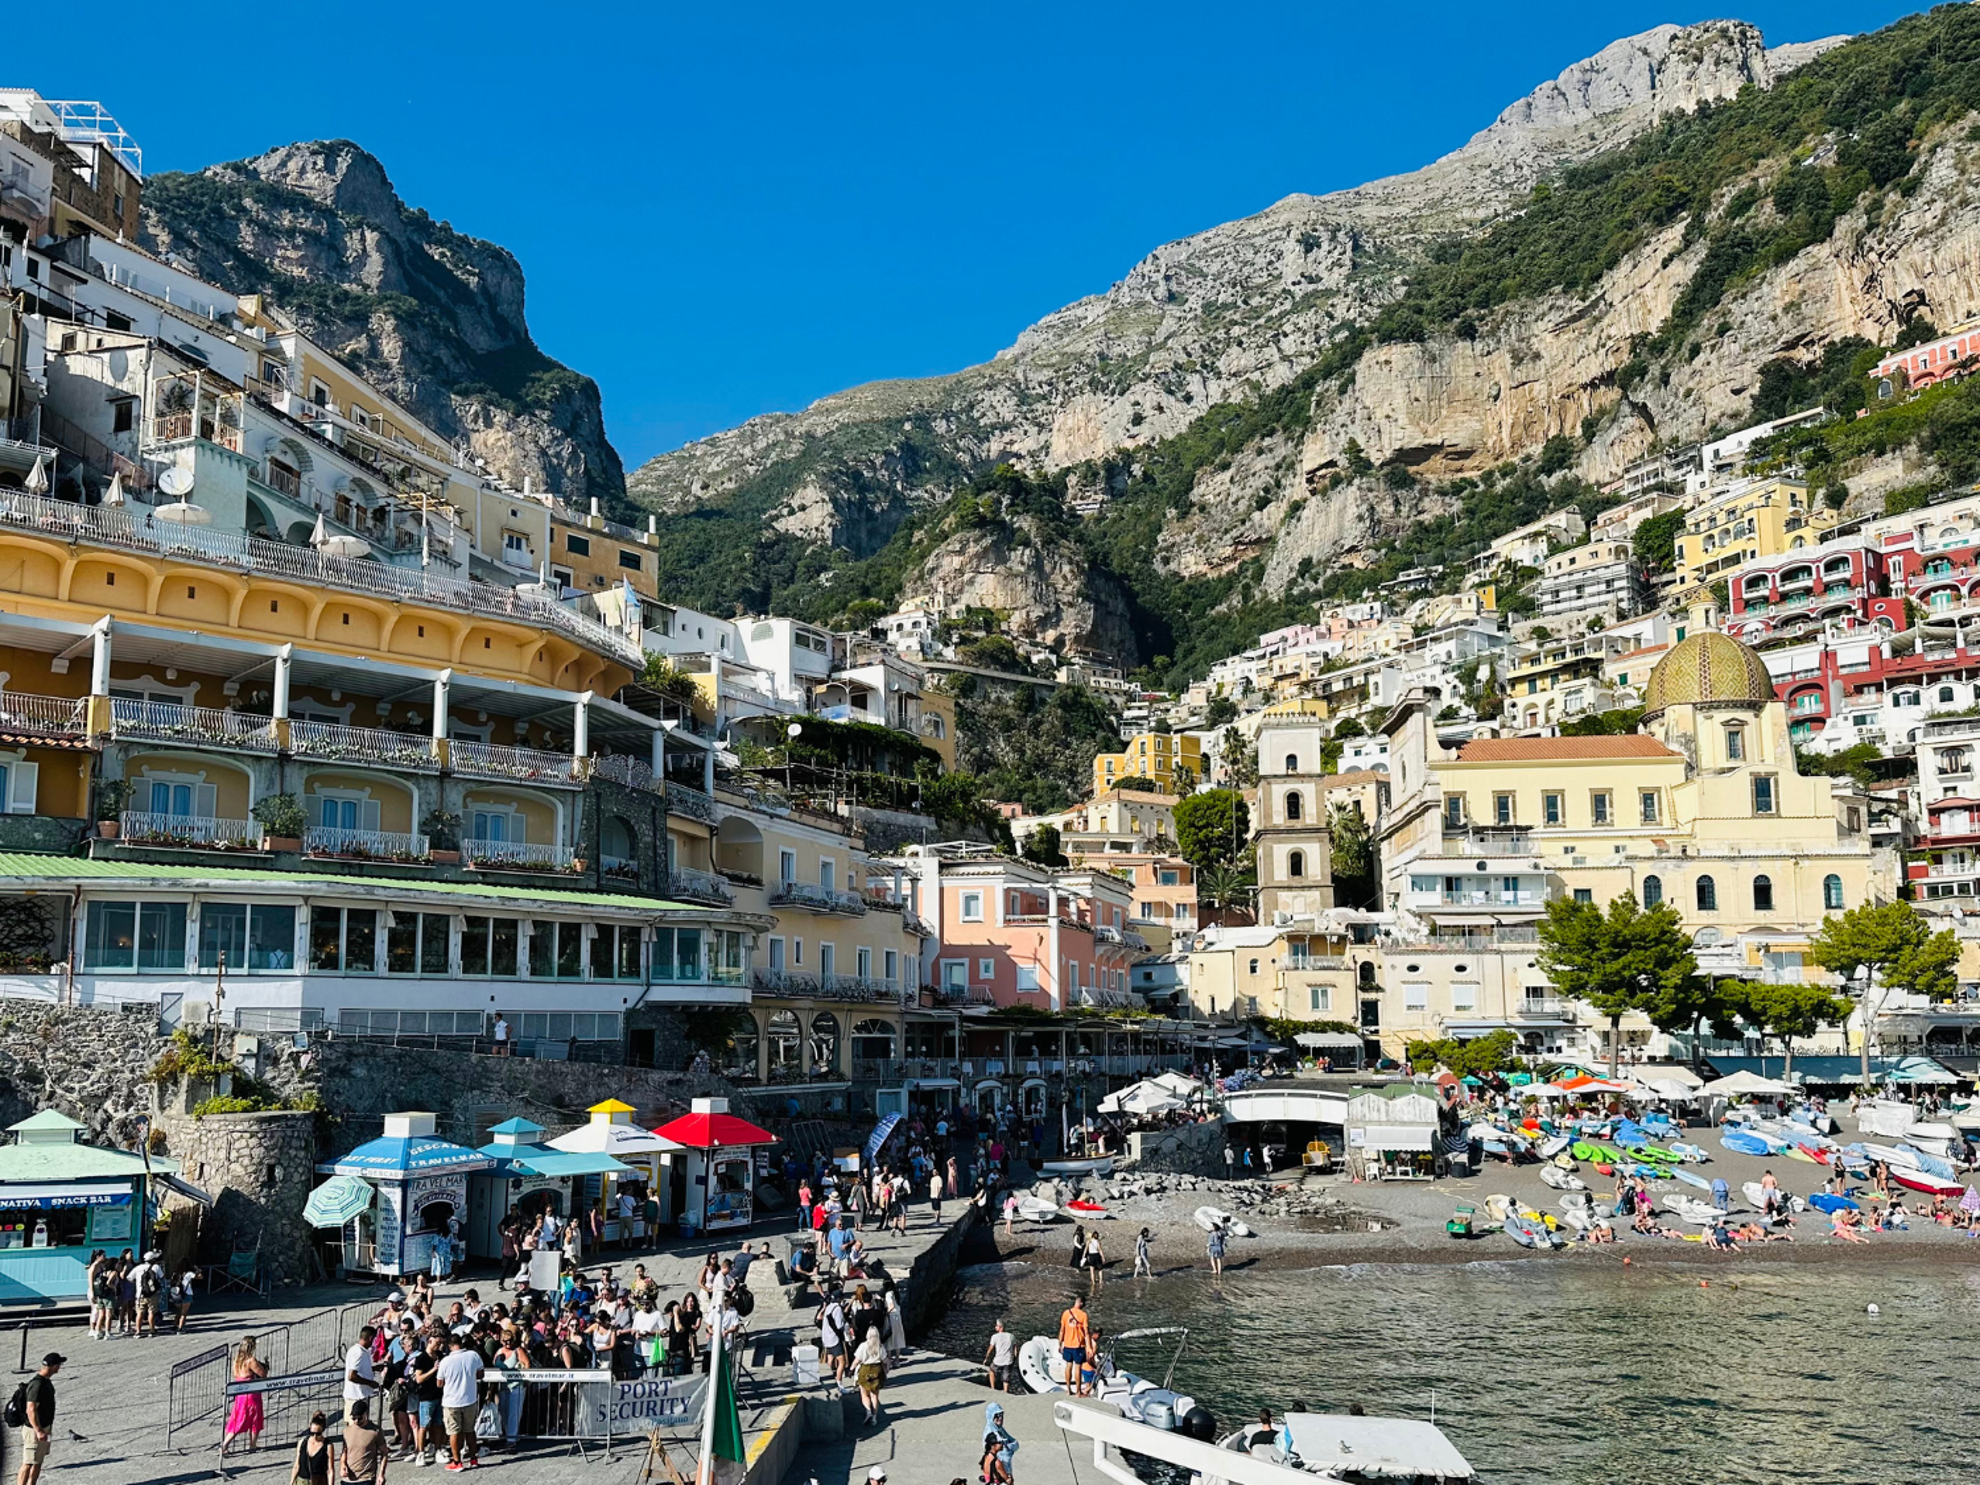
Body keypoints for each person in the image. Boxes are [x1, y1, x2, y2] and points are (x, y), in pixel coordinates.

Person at [436, 1335, 484, 1471]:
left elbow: (439, 1383)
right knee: (470, 1430)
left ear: (449, 1345)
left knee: (453, 1432)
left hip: (452, 1401)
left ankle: (457, 1461)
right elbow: (481, 1374)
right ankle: (474, 1459)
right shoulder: (473, 1355)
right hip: (469, 1399)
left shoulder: (445, 1361)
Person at [15, 1353, 59, 1485]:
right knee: (28, 1462)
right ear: (53, 1366)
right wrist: (38, 1430)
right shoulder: (37, 1385)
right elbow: (31, 1409)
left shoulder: (45, 1382)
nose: (59, 1368)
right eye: (58, 1365)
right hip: (34, 1430)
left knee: (38, 1461)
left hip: (45, 1426)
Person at [223, 1336, 268, 1454]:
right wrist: (264, 1366)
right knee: (255, 1418)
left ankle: (225, 1444)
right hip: (251, 1392)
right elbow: (262, 1374)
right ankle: (252, 1444)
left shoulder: (237, 1359)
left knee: (238, 1419)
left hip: (240, 1393)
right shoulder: (250, 1360)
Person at [341, 1399, 390, 1484]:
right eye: (353, 1418)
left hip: (366, 1478)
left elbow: (384, 1453)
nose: (356, 1421)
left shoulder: (375, 1431)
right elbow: (344, 1451)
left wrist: (381, 1474)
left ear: (365, 1414)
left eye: (359, 1418)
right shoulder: (346, 1431)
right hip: (348, 1479)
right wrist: (342, 1465)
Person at [1057, 1296, 1091, 1398]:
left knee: (1068, 1366)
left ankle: (1068, 1390)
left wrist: (1060, 1342)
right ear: (1081, 1303)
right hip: (1078, 1345)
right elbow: (1086, 1333)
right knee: (1078, 1367)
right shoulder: (1083, 1315)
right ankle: (1078, 1392)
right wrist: (1088, 1347)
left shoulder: (1066, 1313)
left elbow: (1062, 1329)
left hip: (1067, 1344)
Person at [854, 1325, 887, 1425]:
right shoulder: (880, 1346)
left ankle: (868, 1411)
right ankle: (874, 1417)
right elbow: (885, 1360)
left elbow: (857, 1360)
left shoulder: (863, 1346)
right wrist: (887, 1370)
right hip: (877, 1370)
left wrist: (851, 1369)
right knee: (875, 1395)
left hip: (865, 1370)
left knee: (864, 1393)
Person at [292, 1410, 336, 1485]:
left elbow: (330, 1470)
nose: (314, 1436)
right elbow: (297, 1466)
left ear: (323, 1430)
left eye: (318, 1433)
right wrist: (292, 1482)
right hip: (301, 1482)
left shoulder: (328, 1446)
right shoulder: (302, 1443)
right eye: (312, 1433)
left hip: (318, 1482)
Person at [344, 1324, 379, 1419]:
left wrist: (374, 1369)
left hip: (357, 1395)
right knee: (357, 1426)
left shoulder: (357, 1350)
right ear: (371, 1338)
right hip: (356, 1396)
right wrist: (370, 1383)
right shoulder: (359, 1353)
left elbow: (359, 1369)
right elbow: (352, 1376)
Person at [131, 1249, 167, 1336]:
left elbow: (130, 1278)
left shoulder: (138, 1267)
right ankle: (152, 1330)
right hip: (152, 1293)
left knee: (139, 1313)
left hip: (140, 1294)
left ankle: (138, 1331)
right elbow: (162, 1276)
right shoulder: (156, 1267)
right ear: (152, 1260)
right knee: (152, 1312)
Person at [984, 1320, 1016, 1392]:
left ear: (1000, 1327)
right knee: (1006, 1378)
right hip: (1008, 1360)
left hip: (998, 1360)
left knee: (992, 1371)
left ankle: (993, 1388)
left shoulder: (994, 1337)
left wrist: (986, 1358)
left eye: (996, 1326)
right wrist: (1014, 1359)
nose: (995, 1327)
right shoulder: (1011, 1336)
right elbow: (1015, 1350)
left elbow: (990, 1349)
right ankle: (1005, 1392)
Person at [171, 1265, 198, 1332]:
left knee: (178, 1311)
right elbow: (199, 1277)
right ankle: (180, 1328)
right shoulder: (189, 1273)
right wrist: (197, 1270)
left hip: (177, 1294)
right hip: (187, 1293)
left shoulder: (175, 1273)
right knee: (184, 1313)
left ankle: (174, 1325)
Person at [1083, 1228, 1105, 1292]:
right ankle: (1100, 1281)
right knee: (1100, 1269)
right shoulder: (1098, 1241)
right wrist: (1103, 1257)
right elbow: (1100, 1250)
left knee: (1092, 1270)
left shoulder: (1088, 1241)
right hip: (1097, 1255)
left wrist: (1083, 1256)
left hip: (1091, 1255)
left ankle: (1093, 1282)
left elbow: (1086, 1249)